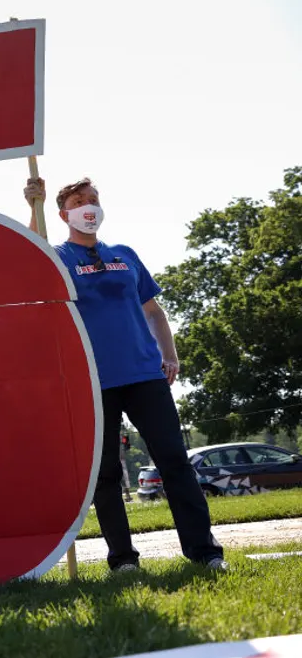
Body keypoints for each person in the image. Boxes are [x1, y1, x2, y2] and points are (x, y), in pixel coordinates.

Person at [24, 177, 226, 573]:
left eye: (93, 199)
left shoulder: (125, 254)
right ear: (64, 214)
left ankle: (205, 553)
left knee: (174, 460)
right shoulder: (59, 255)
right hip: (92, 381)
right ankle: (123, 560)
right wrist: (36, 206)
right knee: (106, 473)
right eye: (79, 201)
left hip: (144, 375)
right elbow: (30, 258)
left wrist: (170, 355)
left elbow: (153, 311)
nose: (88, 206)